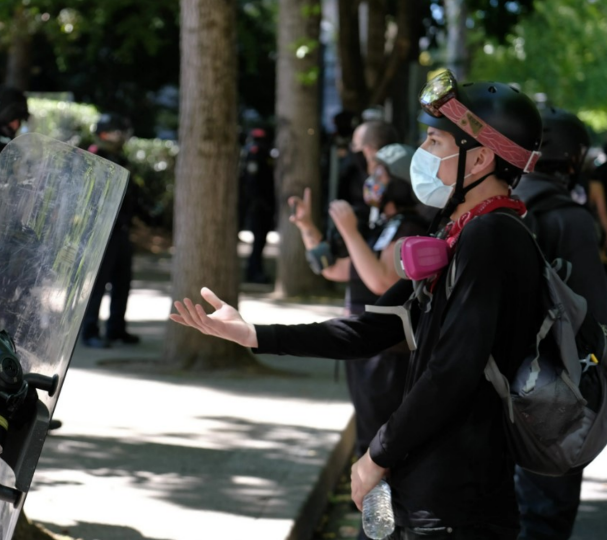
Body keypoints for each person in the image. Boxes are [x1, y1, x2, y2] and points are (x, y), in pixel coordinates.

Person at [172, 71, 546, 539]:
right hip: (429, 490)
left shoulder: (493, 238)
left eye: (434, 142)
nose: (423, 155)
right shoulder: (458, 231)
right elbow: (370, 330)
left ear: (480, 160)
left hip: (460, 502)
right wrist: (254, 334)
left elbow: (453, 371)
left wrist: (377, 455)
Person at [291, 143, 425, 475]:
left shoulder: (410, 229)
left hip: (390, 356)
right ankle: (373, 517)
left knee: (381, 443)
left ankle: (381, 518)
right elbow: (334, 268)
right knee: (368, 435)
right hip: (367, 351)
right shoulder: (384, 226)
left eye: (379, 173)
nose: (371, 180)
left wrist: (350, 231)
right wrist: (307, 227)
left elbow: (382, 281)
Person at [512, 106, 607, 540]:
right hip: (551, 396)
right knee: (543, 518)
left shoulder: (496, 206)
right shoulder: (572, 220)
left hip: (487, 386)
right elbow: (592, 320)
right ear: (573, 161)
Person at [80, 112, 142, 348]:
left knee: (122, 282)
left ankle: (116, 329)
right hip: (101, 231)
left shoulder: (119, 158)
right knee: (98, 285)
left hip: (121, 229)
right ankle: (90, 331)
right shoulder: (96, 156)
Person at [239, 127, 276, 283]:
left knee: (260, 241)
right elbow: (252, 182)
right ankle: (253, 273)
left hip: (263, 205)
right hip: (258, 206)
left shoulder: (262, 153)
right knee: (258, 240)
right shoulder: (255, 153)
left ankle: (255, 271)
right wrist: (259, 203)